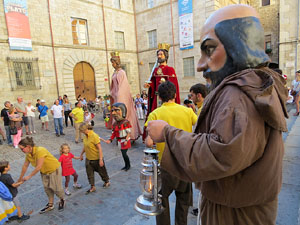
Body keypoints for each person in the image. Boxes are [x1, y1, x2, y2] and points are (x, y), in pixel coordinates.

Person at [146, 5, 288, 225]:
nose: (201, 65)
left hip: (233, 213)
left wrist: (167, 132)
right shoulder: (253, 85)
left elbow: (220, 153)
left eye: (209, 49)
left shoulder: (238, 93)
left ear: (239, 46)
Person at [145, 81, 197, 225]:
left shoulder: (155, 114)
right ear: (175, 95)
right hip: (184, 164)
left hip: (165, 166)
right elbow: (198, 125)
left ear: (159, 97)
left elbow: (149, 142)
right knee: (183, 202)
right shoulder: (187, 111)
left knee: (162, 202)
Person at [18, 137, 65, 213]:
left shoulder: (40, 150)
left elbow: (38, 166)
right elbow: (25, 166)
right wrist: (20, 178)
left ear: (28, 146)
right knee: (47, 188)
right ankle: (50, 204)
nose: (21, 150)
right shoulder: (28, 154)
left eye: (22, 149)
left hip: (53, 169)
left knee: (56, 188)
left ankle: (62, 200)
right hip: (44, 171)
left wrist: (29, 176)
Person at [109, 51, 142, 140]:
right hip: (116, 98)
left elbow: (123, 87)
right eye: (111, 62)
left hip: (122, 98)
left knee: (124, 115)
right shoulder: (114, 73)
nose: (112, 64)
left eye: (113, 62)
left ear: (117, 62)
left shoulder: (121, 72)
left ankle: (130, 135)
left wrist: (120, 99)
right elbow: (113, 86)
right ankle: (118, 135)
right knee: (116, 117)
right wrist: (112, 94)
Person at [144, 43, 180, 115]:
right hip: (157, 97)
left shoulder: (170, 69)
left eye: (161, 54)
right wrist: (149, 85)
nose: (159, 56)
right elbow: (153, 82)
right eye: (158, 55)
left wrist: (165, 82)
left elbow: (173, 85)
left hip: (167, 98)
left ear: (166, 56)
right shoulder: (155, 70)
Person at [79, 124, 110, 194]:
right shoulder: (85, 137)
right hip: (88, 158)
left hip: (96, 158)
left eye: (81, 131)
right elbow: (85, 147)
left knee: (102, 172)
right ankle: (92, 186)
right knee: (89, 173)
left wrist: (101, 159)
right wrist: (81, 154)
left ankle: (106, 181)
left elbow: (99, 148)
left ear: (85, 130)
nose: (81, 132)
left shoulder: (94, 136)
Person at [105, 103, 132, 171]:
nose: (114, 113)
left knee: (124, 153)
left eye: (117, 110)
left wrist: (126, 140)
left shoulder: (125, 122)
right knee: (123, 154)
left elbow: (129, 132)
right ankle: (126, 165)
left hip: (125, 140)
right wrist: (110, 139)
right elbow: (114, 133)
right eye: (112, 111)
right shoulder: (115, 123)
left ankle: (128, 165)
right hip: (120, 141)